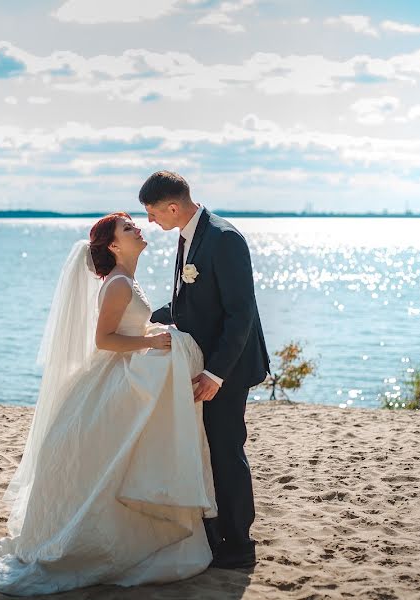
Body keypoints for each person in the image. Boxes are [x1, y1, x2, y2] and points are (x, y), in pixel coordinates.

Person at [0, 212, 218, 596]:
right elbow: (105, 341)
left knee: (119, 461)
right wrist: (152, 342)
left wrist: (153, 332)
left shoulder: (125, 279)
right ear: (114, 246)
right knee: (108, 463)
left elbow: (128, 327)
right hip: (112, 377)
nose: (137, 229)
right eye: (128, 228)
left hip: (123, 374)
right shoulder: (116, 284)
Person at [141, 171, 270, 570]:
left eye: (152, 212)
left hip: (226, 368)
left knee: (227, 450)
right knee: (210, 448)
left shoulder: (224, 238)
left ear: (173, 207)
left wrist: (215, 375)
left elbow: (240, 313)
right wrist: (140, 317)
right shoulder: (189, 234)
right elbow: (190, 302)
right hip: (207, 363)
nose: (150, 221)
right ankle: (219, 534)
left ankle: (240, 545)